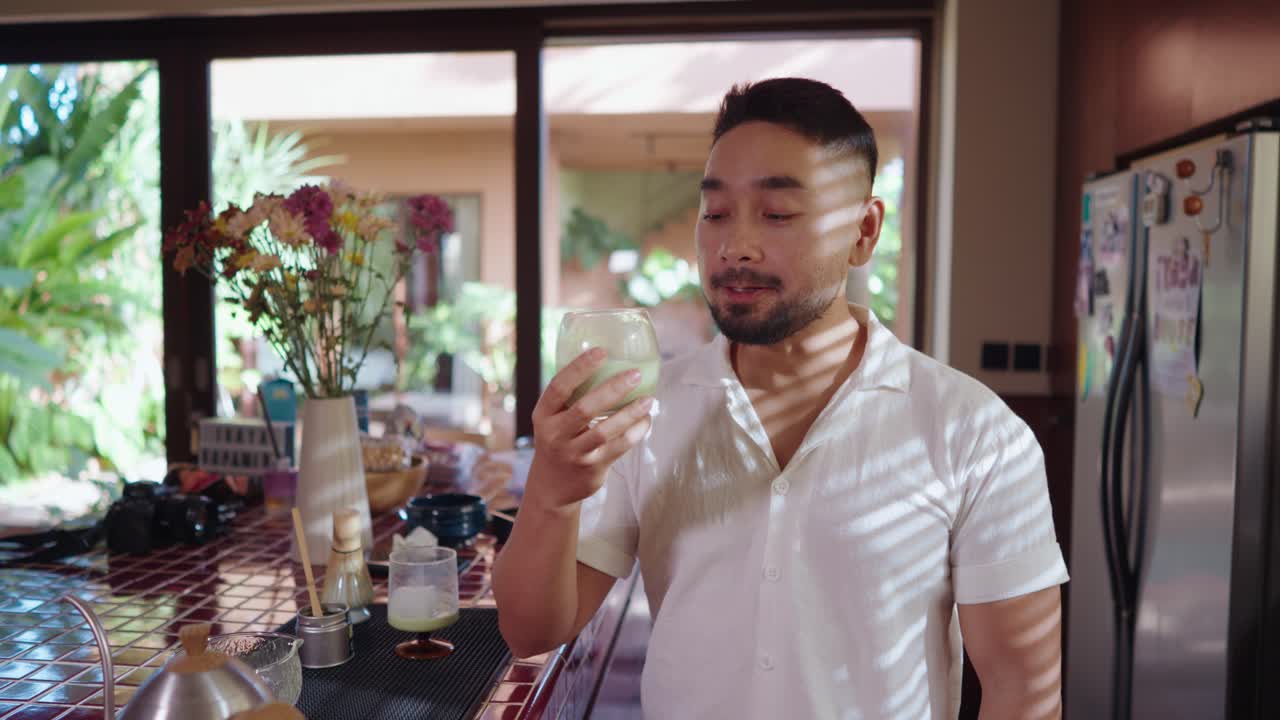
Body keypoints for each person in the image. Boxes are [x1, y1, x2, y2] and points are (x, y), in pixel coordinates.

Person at [492, 77, 1068, 720]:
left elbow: (1023, 690)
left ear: (863, 231)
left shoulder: (972, 431)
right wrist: (551, 490)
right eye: (714, 213)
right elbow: (532, 631)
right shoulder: (649, 409)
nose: (735, 245)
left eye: (778, 214)